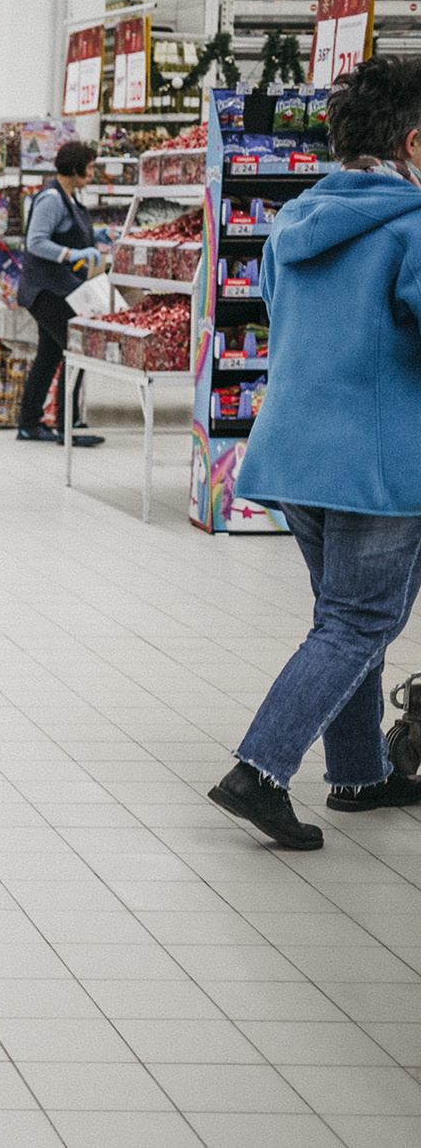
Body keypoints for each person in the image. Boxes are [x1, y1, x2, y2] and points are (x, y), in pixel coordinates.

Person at [207, 56, 421, 849]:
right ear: (413, 142)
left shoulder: (294, 220)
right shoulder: (413, 227)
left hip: (294, 451)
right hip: (376, 464)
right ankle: (259, 770)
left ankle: (361, 772)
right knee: (358, 622)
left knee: (350, 618)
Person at [15, 142, 109, 448]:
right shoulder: (53, 199)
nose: (93, 173)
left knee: (50, 354)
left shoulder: (69, 197)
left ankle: (29, 424)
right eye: (91, 167)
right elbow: (36, 242)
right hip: (46, 290)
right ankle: (67, 426)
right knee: (76, 350)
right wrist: (72, 253)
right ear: (74, 167)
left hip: (55, 289)